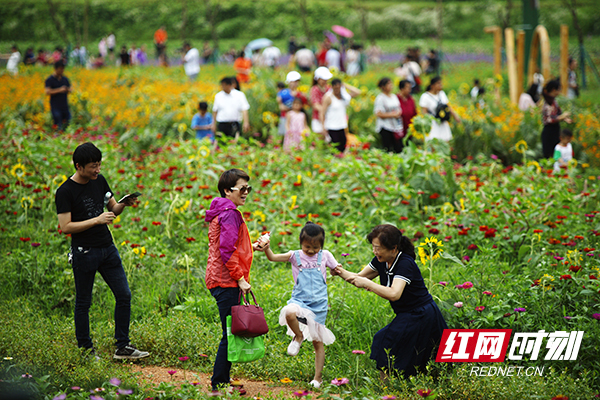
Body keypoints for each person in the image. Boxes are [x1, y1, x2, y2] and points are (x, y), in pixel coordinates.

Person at [55, 142, 150, 360]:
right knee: (84, 302)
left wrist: (124, 203)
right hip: (84, 252)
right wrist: (96, 220)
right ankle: (86, 350)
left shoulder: (100, 181)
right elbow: (66, 227)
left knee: (124, 295)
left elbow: (113, 209)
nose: (97, 170)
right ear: (79, 166)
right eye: (92, 166)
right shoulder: (65, 192)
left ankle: (123, 347)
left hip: (107, 248)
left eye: (99, 165)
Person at [333, 224, 447, 379]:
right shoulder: (381, 260)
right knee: (413, 353)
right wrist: (337, 269)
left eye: (378, 248)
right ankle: (394, 387)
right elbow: (359, 278)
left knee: (388, 342)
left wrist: (369, 284)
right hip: (407, 314)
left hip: (421, 314)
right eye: (373, 247)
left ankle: (387, 389)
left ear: (394, 248)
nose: (375, 251)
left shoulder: (405, 263)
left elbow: (394, 294)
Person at [205, 169, 265, 396]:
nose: (246, 193)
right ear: (228, 190)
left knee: (229, 331)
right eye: (242, 188)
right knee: (228, 334)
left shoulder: (221, 211)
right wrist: (240, 278)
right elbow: (227, 251)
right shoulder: (230, 213)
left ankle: (223, 379)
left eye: (248, 188)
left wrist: (254, 246)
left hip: (218, 278)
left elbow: (230, 245)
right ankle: (218, 385)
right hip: (226, 280)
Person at [261, 222, 339, 388]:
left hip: (319, 305)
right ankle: (298, 336)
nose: (310, 251)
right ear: (300, 243)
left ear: (322, 245)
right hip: (300, 300)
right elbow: (273, 257)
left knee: (318, 342)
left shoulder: (325, 255)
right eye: (307, 247)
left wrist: (336, 270)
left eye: (315, 247)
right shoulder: (294, 255)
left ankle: (317, 378)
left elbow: (336, 268)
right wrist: (267, 247)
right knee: (289, 312)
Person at [321, 78, 361, 153]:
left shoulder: (344, 96)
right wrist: (323, 126)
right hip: (332, 126)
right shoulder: (328, 97)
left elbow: (357, 92)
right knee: (335, 148)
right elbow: (322, 112)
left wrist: (345, 85)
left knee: (343, 145)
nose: (337, 89)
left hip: (342, 125)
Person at [419, 76, 461, 142]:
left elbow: (448, 106)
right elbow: (424, 112)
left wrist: (455, 116)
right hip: (433, 124)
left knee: (445, 142)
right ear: (432, 85)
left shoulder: (442, 94)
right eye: (438, 83)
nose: (440, 85)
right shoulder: (425, 96)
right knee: (434, 143)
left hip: (443, 122)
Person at [541, 79, 571, 159]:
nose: (559, 92)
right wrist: (562, 117)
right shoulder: (547, 103)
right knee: (550, 155)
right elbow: (550, 119)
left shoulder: (553, 101)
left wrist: (565, 118)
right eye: (558, 89)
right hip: (549, 132)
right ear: (554, 90)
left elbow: (557, 114)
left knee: (557, 154)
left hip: (555, 130)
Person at [374, 77, 403, 153]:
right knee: (387, 148)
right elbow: (378, 113)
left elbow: (398, 108)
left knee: (398, 147)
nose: (391, 86)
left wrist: (398, 113)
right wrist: (392, 115)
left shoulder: (394, 96)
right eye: (388, 84)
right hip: (385, 126)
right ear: (383, 87)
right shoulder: (380, 98)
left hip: (396, 125)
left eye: (391, 84)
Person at [45, 61, 72, 131]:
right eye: (60, 69)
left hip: (64, 105)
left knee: (68, 121)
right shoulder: (50, 80)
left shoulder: (65, 79)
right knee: (57, 121)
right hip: (55, 106)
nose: (61, 71)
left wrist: (67, 89)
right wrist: (60, 90)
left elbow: (71, 89)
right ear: (56, 69)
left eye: (62, 69)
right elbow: (47, 91)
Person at [310, 66, 333, 136]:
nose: (324, 81)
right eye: (323, 79)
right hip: (318, 118)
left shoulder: (328, 88)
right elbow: (315, 105)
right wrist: (323, 110)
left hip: (328, 118)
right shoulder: (315, 89)